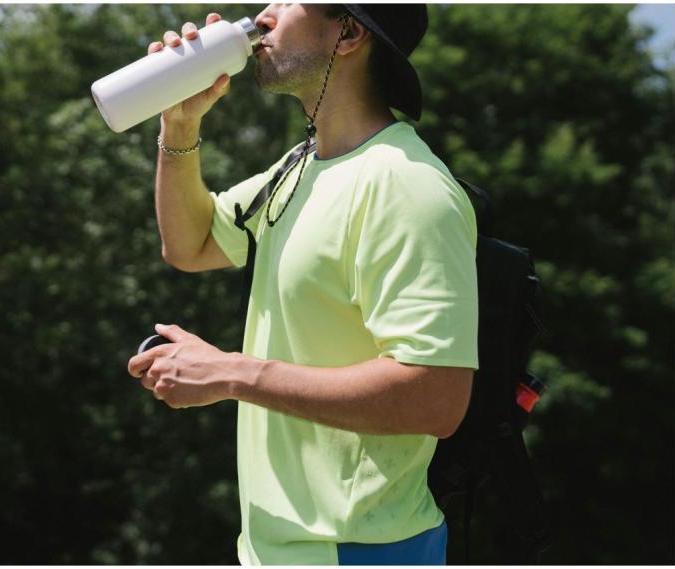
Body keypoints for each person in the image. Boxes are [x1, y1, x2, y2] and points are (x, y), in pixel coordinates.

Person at [127, 4, 479, 565]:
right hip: (278, 549)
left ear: (349, 32)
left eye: (289, 1)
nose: (263, 15)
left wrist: (232, 372)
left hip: (359, 551)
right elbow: (189, 245)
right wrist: (181, 124)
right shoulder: (301, 167)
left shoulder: (406, 187)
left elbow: (435, 397)